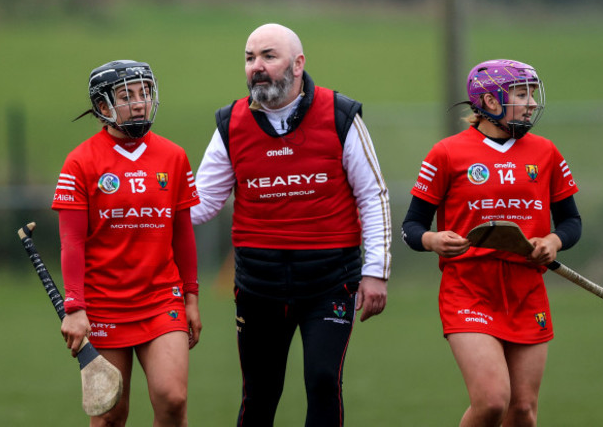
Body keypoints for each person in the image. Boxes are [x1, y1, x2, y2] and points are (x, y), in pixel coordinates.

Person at [191, 23, 392, 426]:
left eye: (269, 56)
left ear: (298, 64)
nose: (257, 67)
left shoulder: (340, 115)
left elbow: (374, 196)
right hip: (258, 285)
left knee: (321, 380)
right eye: (250, 58)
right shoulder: (230, 123)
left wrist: (376, 271)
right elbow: (200, 203)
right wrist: (141, 210)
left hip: (329, 281)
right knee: (260, 392)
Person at [402, 59, 582, 427]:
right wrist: (432, 239)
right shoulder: (447, 153)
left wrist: (553, 241)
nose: (531, 102)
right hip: (469, 288)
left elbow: (571, 222)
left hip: (526, 290)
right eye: (521, 93)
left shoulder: (546, 152)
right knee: (492, 402)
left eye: (532, 93)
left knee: (522, 412)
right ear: (490, 101)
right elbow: (411, 226)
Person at [52, 60, 202, 427]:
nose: (140, 103)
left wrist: (192, 297)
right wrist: (74, 307)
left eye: (145, 93)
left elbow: (183, 233)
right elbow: (71, 242)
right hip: (103, 303)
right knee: (109, 417)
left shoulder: (174, 156)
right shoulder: (79, 162)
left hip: (160, 299)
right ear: (103, 107)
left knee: (173, 398)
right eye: (127, 96)